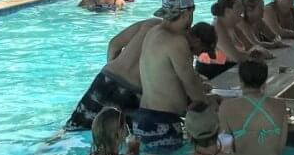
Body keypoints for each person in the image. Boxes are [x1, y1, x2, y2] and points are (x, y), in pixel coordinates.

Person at [64, 15, 217, 131]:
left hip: (105, 79)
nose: (199, 55)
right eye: (202, 51)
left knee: (73, 129)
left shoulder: (152, 24)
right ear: (197, 41)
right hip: (132, 94)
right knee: (115, 137)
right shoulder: (179, 45)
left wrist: (115, 72)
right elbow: (178, 86)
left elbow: (114, 45)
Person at [134, 0, 212, 155]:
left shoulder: (153, 32)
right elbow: (190, 82)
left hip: (142, 118)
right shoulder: (176, 42)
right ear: (187, 13)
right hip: (162, 122)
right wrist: (208, 108)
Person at [218, 58, 287, 155]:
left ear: (240, 80)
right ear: (265, 80)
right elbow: (280, 146)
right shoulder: (280, 105)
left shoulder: (227, 107)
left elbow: (224, 148)